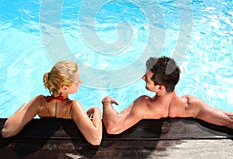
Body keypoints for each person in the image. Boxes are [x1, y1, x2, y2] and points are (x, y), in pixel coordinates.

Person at [102, 56, 233, 134]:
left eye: (147, 78)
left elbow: (113, 127)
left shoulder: (144, 105)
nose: (142, 77)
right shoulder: (191, 106)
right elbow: (228, 120)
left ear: (160, 87)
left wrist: (107, 102)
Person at [1, 60, 102, 145]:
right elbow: (95, 139)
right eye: (77, 81)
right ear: (65, 88)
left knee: (24, 105)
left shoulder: (39, 102)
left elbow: (6, 131)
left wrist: (24, 108)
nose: (81, 82)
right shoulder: (73, 107)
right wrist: (97, 111)